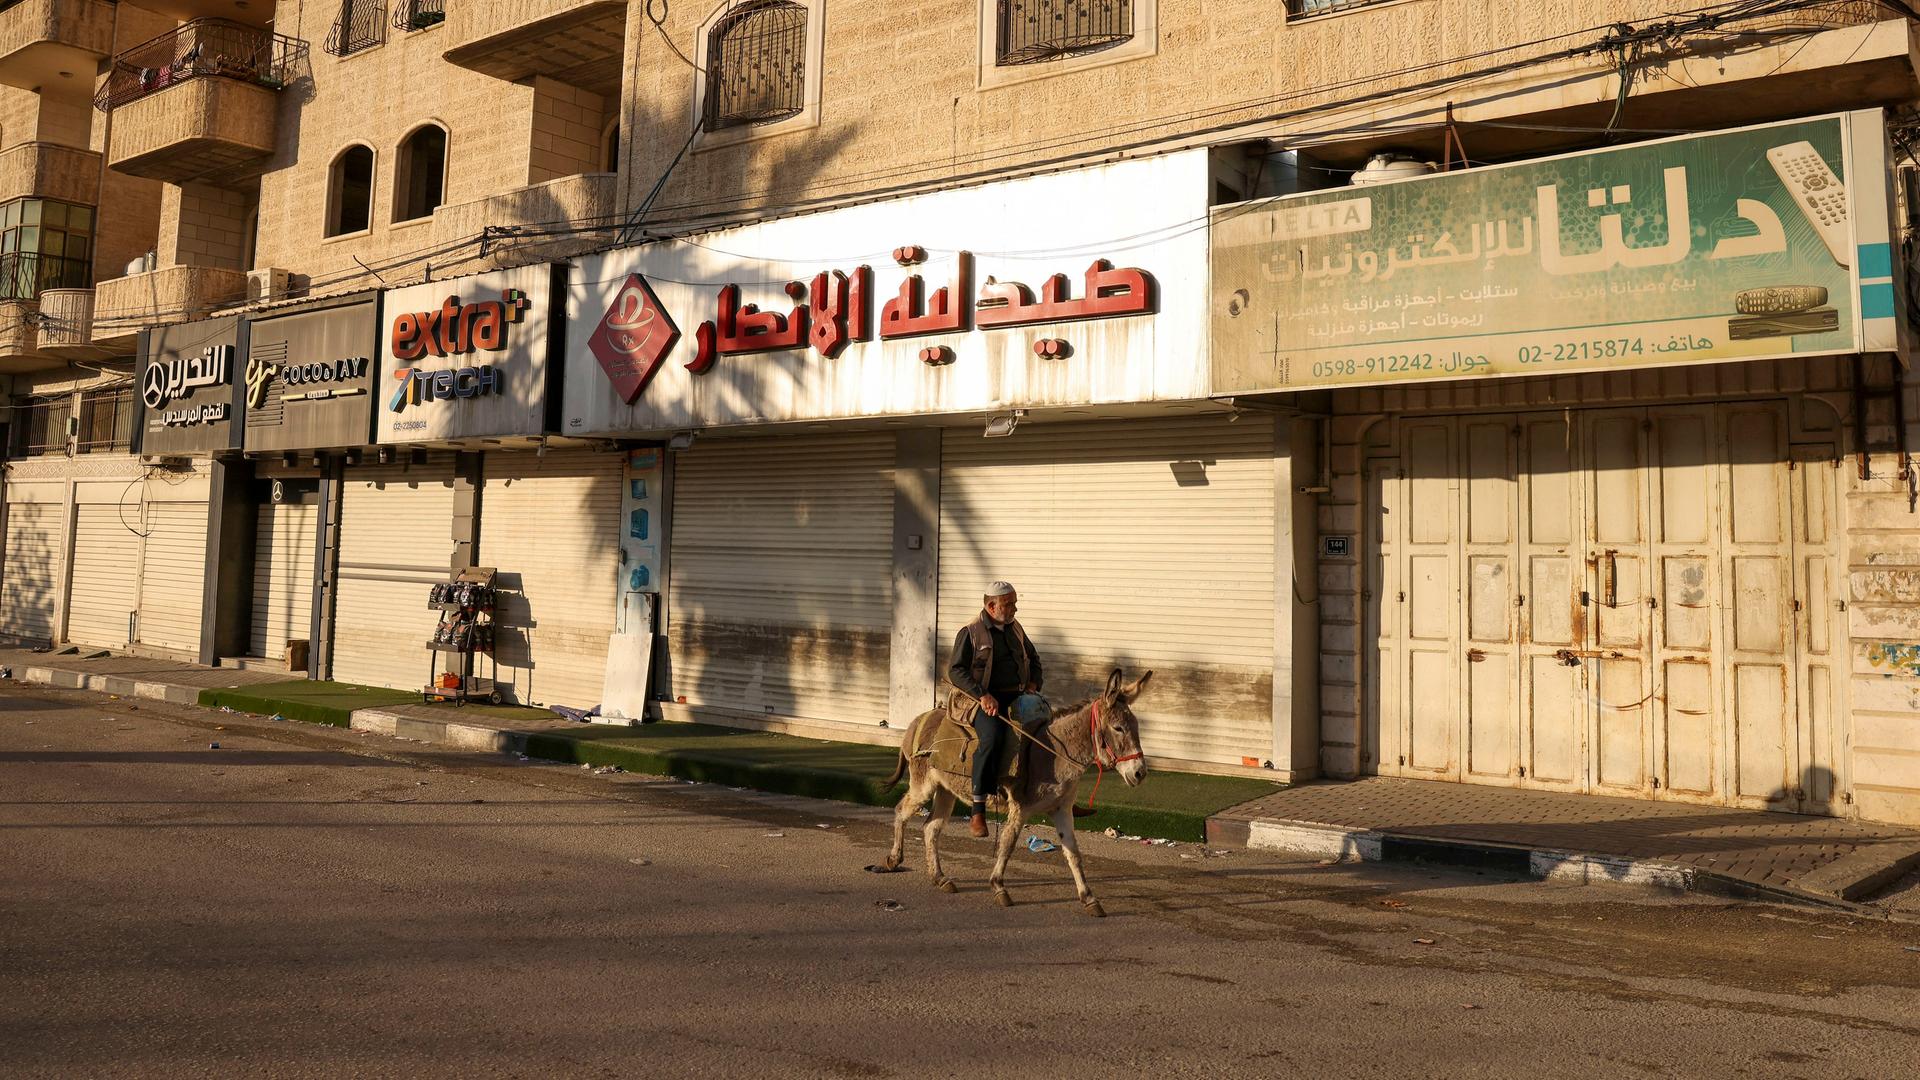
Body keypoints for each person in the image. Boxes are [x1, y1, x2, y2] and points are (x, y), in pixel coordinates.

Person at [946, 580, 1044, 838]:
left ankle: (1055, 795)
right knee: (991, 737)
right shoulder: (970, 631)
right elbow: (955, 671)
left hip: (1017, 695)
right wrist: (983, 696)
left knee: (1046, 726)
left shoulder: (1015, 628)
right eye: (1008, 604)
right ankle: (978, 809)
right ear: (991, 606)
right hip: (979, 698)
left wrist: (1034, 683)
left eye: (1014, 603)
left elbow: (1034, 658)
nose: (1014, 609)